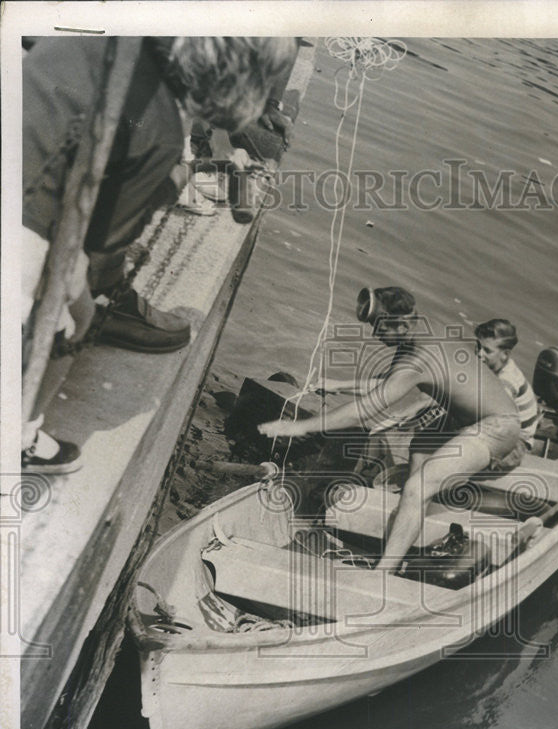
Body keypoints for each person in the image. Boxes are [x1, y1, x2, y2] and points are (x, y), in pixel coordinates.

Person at [22, 35, 299, 472]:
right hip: (21, 234)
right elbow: (102, 250)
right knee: (79, 314)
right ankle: (23, 437)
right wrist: (168, 182)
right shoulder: (163, 133)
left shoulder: (99, 46)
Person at [257, 286, 522, 574]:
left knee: (418, 487)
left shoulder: (420, 357)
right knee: (418, 453)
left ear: (403, 324)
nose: (374, 335)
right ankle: (403, 539)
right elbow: (388, 384)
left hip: (498, 427)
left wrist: (299, 427)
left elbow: (367, 408)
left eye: (379, 327)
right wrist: (337, 384)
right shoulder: (422, 328)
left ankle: (384, 572)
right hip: (463, 419)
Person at [474, 319, 541, 462]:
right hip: (497, 429)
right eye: (478, 346)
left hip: (515, 443)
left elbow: (488, 418)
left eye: (487, 350)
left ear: (504, 354)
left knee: (455, 453)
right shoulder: (489, 368)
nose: (479, 353)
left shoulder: (507, 381)